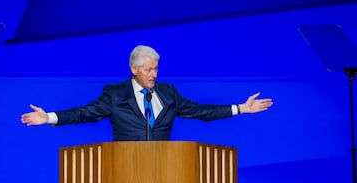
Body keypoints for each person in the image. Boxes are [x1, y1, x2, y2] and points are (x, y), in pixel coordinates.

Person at [21, 45, 273, 141]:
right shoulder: (115, 94)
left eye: (156, 68)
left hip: (164, 168)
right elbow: (85, 113)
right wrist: (50, 117)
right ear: (134, 69)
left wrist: (240, 108)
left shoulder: (168, 92)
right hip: (125, 167)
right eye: (149, 69)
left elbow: (200, 112)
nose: (154, 74)